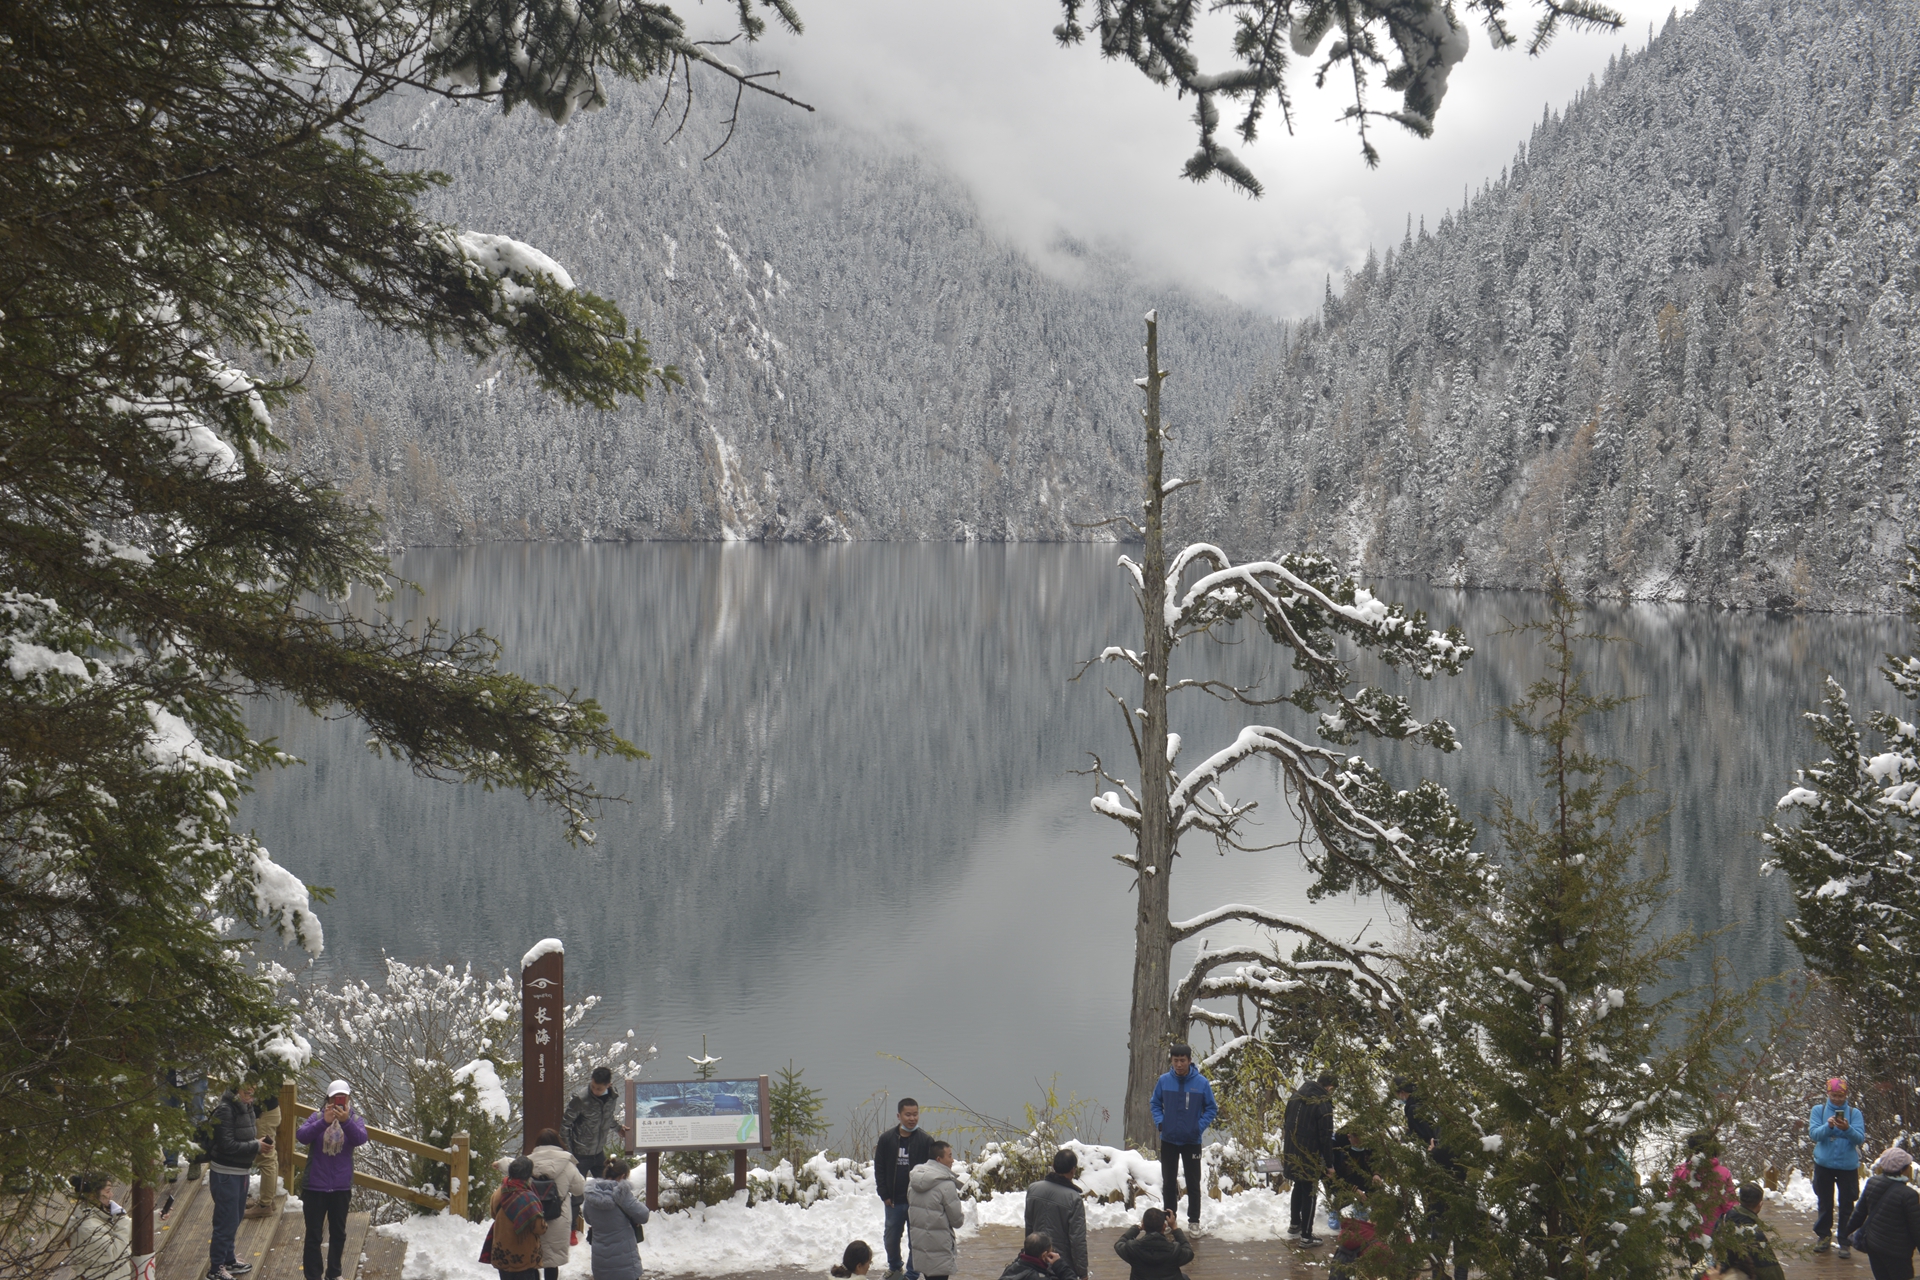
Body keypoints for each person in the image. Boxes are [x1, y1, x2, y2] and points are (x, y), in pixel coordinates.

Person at [295, 1079, 368, 1280]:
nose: (339, 1102)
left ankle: (334, 1273)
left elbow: (361, 1139)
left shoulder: (354, 1120)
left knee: (339, 1234)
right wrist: (323, 1122)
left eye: (342, 1098)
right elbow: (301, 1136)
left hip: (340, 1187)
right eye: (335, 1098)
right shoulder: (318, 1116)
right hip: (315, 1186)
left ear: (348, 1099)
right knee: (313, 1235)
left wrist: (345, 1121)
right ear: (328, 1099)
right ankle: (313, 1276)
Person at [1395, 1077, 1466, 1280]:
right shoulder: (1432, 1109)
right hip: (1457, 1195)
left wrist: (1430, 1150)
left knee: (1439, 1243)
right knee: (1460, 1250)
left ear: (1402, 1093)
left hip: (1443, 1197)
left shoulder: (1413, 1107)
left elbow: (1428, 1136)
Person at [207, 1079, 272, 1280]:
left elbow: (244, 1138)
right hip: (226, 1173)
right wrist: (255, 1146)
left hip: (240, 1171)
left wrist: (258, 1143)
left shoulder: (247, 1106)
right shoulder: (225, 1110)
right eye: (247, 1090)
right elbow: (227, 1144)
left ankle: (228, 1259)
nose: (251, 1093)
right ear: (236, 1089)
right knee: (225, 1221)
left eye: (253, 1089)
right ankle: (216, 1268)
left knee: (234, 1218)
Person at [1148, 1045, 1216, 1234]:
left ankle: (1194, 1221)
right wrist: (1161, 1123)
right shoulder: (1164, 1081)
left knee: (1193, 1183)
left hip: (1191, 1141)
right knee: (1169, 1182)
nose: (1179, 1064)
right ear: (1171, 1060)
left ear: (1189, 1060)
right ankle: (1170, 1220)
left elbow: (1211, 1108)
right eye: (1175, 1060)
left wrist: (1198, 1126)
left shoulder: (1201, 1083)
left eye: (1182, 1060)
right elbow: (1154, 1103)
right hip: (1169, 1139)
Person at [874, 1098, 936, 1280]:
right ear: (899, 1116)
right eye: (908, 1114)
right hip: (894, 1200)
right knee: (891, 1239)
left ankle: (912, 1273)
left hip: (917, 1201)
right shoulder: (887, 1139)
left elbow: (932, 1170)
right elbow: (880, 1168)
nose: (912, 1118)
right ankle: (894, 1267)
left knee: (916, 1241)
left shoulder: (926, 1140)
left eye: (915, 1114)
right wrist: (883, 1193)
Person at [1812, 1076, 1869, 1253]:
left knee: (1847, 1204)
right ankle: (1824, 1237)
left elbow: (1859, 1138)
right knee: (1824, 1202)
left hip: (1848, 1166)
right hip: (1824, 1164)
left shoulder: (1854, 1113)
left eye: (1841, 1095)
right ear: (1828, 1093)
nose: (1837, 1099)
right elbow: (1814, 1134)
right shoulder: (1819, 1110)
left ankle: (1845, 1241)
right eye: (1834, 1095)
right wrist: (1827, 1127)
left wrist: (1847, 1129)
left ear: (1846, 1094)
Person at [1846, 1146, 1920, 1280]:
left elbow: (1859, 1213)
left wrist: (1845, 1234)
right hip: (1897, 1251)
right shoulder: (1909, 1195)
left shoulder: (1872, 1182)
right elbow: (1916, 1227)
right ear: (1903, 1169)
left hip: (1874, 1245)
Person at [565, 1068, 628, 1221]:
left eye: (599, 1088)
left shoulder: (612, 1097)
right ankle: (573, 1228)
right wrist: (569, 1152)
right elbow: (565, 1125)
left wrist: (618, 1128)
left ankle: (606, 1221)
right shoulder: (580, 1099)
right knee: (576, 1192)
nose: (595, 1090)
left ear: (608, 1085)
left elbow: (607, 1117)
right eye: (593, 1086)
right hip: (580, 1153)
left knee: (608, 1186)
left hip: (598, 1152)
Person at [1283, 1072, 1336, 1245]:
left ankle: (1294, 1224)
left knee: (1298, 1186)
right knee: (1310, 1192)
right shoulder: (1323, 1104)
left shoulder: (1296, 1095)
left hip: (1291, 1149)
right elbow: (1326, 1137)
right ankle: (1306, 1235)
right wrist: (1329, 1164)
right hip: (1309, 1154)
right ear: (1329, 1087)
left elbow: (1286, 1122)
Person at [528, 1128, 588, 1280]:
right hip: (558, 1216)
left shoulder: (528, 1163)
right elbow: (579, 1189)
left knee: (532, 1257)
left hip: (533, 1216)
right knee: (552, 1261)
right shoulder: (567, 1164)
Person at [1025, 1150, 1090, 1280]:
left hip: (1037, 1259)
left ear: (1053, 1166)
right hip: (1061, 1264)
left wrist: (1028, 1254)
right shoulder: (1074, 1199)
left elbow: (1029, 1226)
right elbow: (1077, 1240)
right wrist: (1083, 1273)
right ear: (1073, 1170)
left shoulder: (1033, 1189)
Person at [581, 1157, 649, 1280]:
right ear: (623, 1176)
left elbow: (588, 1219)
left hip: (600, 1261)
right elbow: (644, 1215)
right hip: (625, 1263)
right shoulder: (623, 1194)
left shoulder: (591, 1195)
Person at [907, 1140, 964, 1280]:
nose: (952, 1160)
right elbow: (957, 1220)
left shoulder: (914, 1178)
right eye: (949, 1156)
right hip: (939, 1246)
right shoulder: (946, 1184)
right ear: (939, 1159)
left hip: (921, 1244)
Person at [59, 1174, 131, 1280]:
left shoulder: (99, 1215)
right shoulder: (87, 1227)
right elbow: (113, 1252)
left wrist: (156, 1218)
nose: (111, 1195)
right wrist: (121, 1218)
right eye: (107, 1191)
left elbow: (126, 1229)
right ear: (92, 1195)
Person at [489, 1156, 549, 1280]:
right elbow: (539, 1228)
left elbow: (493, 1214)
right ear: (528, 1174)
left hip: (502, 1253)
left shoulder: (500, 1191)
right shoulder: (529, 1198)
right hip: (523, 1256)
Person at [1671, 1133, 1737, 1247]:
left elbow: (1672, 1198)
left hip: (1686, 1228)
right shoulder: (1723, 1173)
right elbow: (1730, 1205)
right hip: (1712, 1230)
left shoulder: (1681, 1170)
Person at [1712, 1183, 1784, 1280]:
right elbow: (1770, 1271)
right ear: (1760, 1204)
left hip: (1718, 1272)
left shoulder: (1723, 1219)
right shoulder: (1753, 1234)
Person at [1112, 1209, 1194, 1280]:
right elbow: (1188, 1251)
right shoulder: (1174, 1250)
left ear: (1144, 1226)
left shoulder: (1133, 1248)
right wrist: (1175, 1228)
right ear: (1164, 1226)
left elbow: (1119, 1244)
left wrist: (1136, 1228)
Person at [1002, 1232, 1080, 1280]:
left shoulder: (1012, 1268)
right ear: (1044, 1255)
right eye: (1051, 1251)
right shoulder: (1038, 1277)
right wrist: (1059, 1265)